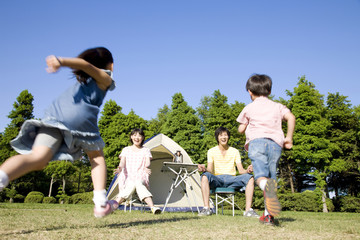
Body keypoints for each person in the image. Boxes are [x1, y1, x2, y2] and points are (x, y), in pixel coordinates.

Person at [0, 47, 118, 218]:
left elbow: (85, 66)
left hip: (54, 116)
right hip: (79, 118)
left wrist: (64, 63)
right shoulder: (104, 78)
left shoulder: (81, 82)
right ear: (111, 65)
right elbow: (87, 66)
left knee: (38, 159)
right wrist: (61, 61)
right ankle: (101, 203)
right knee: (96, 156)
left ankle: (2, 176)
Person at [237, 74, 296, 225]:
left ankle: (266, 191)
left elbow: (241, 129)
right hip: (276, 145)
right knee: (271, 179)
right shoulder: (277, 106)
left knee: (261, 178)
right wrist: (288, 137)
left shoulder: (249, 108)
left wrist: (242, 126)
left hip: (257, 143)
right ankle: (268, 216)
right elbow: (291, 117)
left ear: (250, 91)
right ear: (269, 91)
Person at [197, 126, 259, 217]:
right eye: (221, 135)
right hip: (217, 179)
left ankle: (248, 211)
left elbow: (241, 170)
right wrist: (204, 169)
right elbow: (210, 169)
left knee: (250, 178)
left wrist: (248, 170)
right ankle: (206, 208)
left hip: (232, 179)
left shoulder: (235, 151)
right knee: (205, 176)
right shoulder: (211, 151)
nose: (223, 137)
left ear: (228, 137)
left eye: (225, 135)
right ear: (217, 138)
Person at [113, 128, 161, 214]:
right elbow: (122, 161)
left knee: (138, 183)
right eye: (134, 135)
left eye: (139, 135)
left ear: (142, 138)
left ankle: (113, 207)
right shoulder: (126, 149)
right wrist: (120, 168)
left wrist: (146, 167)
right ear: (131, 137)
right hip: (128, 176)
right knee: (132, 184)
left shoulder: (145, 150)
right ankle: (152, 207)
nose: (137, 137)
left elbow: (147, 161)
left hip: (141, 175)